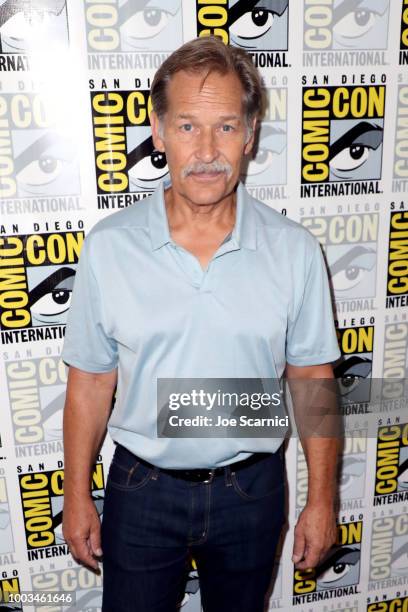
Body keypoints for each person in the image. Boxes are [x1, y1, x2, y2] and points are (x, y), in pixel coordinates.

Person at [61, 36, 341, 612]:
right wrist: (76, 493)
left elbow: (312, 378)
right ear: (159, 132)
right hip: (141, 490)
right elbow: (90, 380)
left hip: (253, 489)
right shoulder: (110, 247)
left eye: (227, 127)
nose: (208, 149)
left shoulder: (294, 250)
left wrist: (323, 501)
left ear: (251, 134)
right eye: (188, 126)